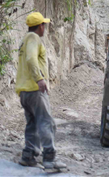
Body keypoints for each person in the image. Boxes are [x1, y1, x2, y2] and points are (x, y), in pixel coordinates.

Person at [16, 12, 65, 170]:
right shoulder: (33, 38)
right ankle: (49, 159)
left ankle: (28, 156)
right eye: (44, 25)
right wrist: (39, 79)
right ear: (40, 26)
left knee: (32, 124)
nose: (45, 28)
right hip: (35, 89)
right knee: (46, 122)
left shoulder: (24, 40)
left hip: (24, 91)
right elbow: (31, 59)